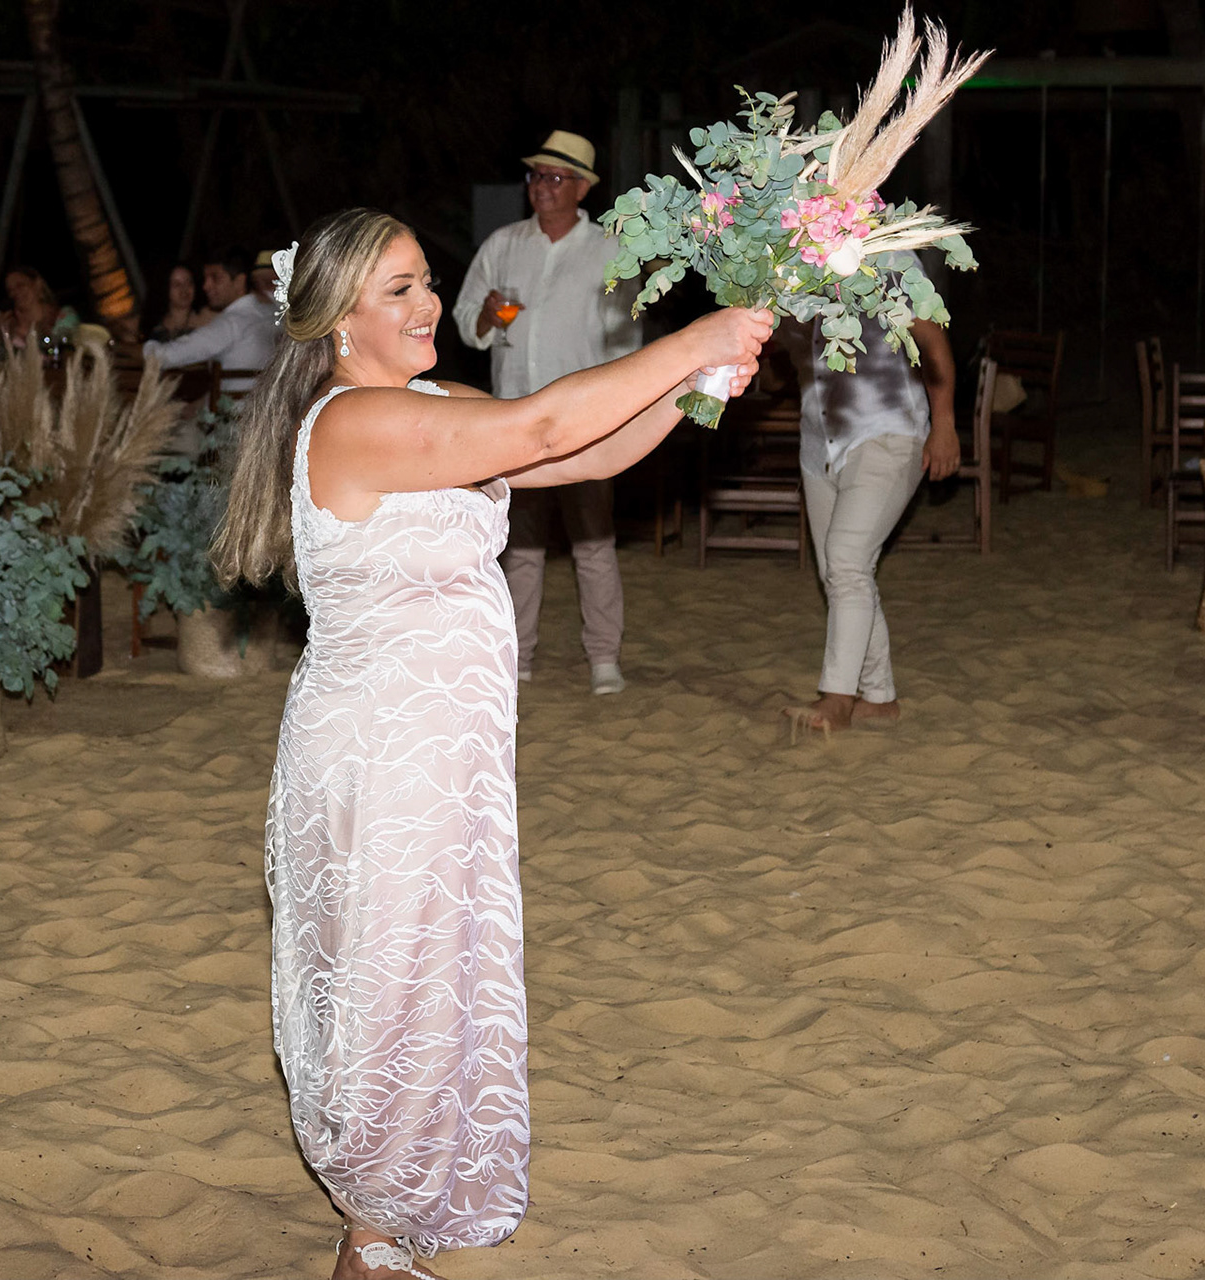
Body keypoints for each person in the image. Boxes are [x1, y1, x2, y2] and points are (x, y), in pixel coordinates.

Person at [208, 207, 770, 1280]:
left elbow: (580, 451)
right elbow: (546, 430)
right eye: (400, 291)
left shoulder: (433, 403)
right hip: (383, 748)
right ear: (335, 322)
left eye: (428, 280)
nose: (430, 305)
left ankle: (414, 1194)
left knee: (442, 966)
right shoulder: (349, 423)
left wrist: (699, 387)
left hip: (450, 749)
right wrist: (692, 338)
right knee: (392, 973)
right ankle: (368, 1230)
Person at [453, 130, 643, 695]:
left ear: (582, 188)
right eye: (536, 176)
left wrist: (618, 413)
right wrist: (488, 318)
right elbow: (467, 320)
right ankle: (519, 657)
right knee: (520, 545)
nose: (542, 187)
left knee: (593, 539)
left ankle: (604, 658)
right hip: (513, 416)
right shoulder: (503, 243)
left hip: (583, 422)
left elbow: (625, 337)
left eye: (555, 178)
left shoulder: (610, 248)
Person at [776, 293, 959, 733]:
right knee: (842, 570)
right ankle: (879, 699)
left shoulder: (884, 256)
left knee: (846, 561)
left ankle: (838, 698)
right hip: (820, 441)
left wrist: (946, 423)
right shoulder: (774, 273)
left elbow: (931, 338)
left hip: (888, 432)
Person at [143, 247, 277, 392]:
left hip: (235, 411)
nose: (206, 286)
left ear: (239, 282)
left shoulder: (231, 323)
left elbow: (161, 358)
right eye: (205, 278)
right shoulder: (272, 313)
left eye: (215, 278)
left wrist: (149, 344)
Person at [0, 265, 79, 350]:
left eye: (20, 285)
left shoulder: (64, 316)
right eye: (10, 290)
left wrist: (41, 329)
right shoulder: (8, 324)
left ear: (38, 284)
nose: (14, 293)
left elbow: (62, 347)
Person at [148, 264, 213, 341]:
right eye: (177, 285)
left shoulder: (208, 317)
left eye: (189, 283)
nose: (184, 289)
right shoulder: (154, 324)